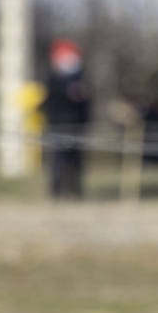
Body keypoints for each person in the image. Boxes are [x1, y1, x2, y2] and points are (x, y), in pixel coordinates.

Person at [41, 38, 91, 198]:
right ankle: (56, 192)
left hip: (77, 125)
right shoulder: (52, 79)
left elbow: (87, 104)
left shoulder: (81, 77)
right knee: (58, 161)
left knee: (77, 162)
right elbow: (49, 102)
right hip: (58, 124)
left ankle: (76, 192)